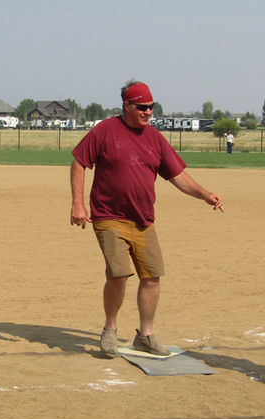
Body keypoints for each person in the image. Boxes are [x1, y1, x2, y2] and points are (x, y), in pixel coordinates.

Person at [70, 80, 224, 357]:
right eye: (141, 107)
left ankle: (146, 334)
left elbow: (177, 175)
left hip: (143, 219)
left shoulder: (154, 138)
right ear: (126, 105)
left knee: (152, 276)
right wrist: (78, 203)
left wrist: (204, 194)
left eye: (151, 107)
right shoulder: (106, 130)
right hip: (109, 216)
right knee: (118, 274)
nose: (147, 112)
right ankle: (110, 329)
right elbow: (80, 161)